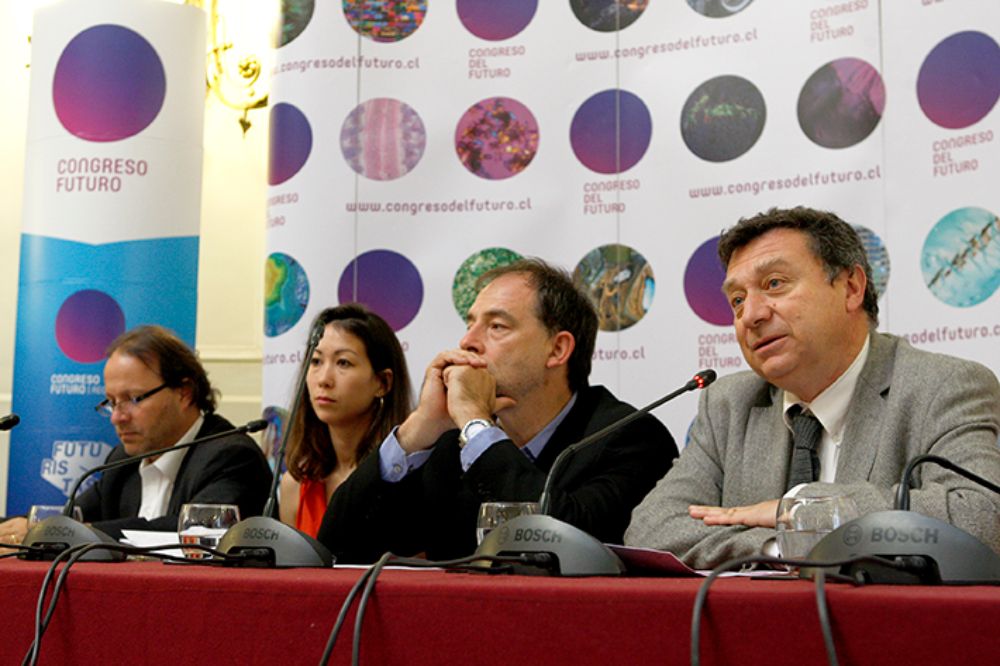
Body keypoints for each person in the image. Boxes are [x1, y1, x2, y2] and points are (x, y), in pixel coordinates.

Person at [625, 206, 1000, 569]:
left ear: (851, 288)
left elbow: (982, 517)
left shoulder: (943, 387)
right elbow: (651, 529)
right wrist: (781, 547)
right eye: (737, 301)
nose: (751, 315)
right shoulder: (729, 404)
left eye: (774, 284)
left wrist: (800, 508)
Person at [317, 258, 677, 562]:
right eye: (470, 323)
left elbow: (567, 542)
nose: (468, 342)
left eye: (496, 326)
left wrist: (476, 424)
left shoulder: (631, 438)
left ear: (557, 350)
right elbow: (340, 546)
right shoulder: (450, 446)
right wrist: (418, 430)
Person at [0, 325, 272, 545]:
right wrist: (32, 528)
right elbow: (72, 517)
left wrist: (77, 532)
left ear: (184, 392)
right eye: (111, 402)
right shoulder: (122, 462)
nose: (118, 417)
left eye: (133, 399)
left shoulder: (232, 456)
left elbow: (189, 531)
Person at [278, 304, 412, 537]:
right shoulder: (296, 484)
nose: (324, 379)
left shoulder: (405, 478)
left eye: (343, 363)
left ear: (382, 383)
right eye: (316, 361)